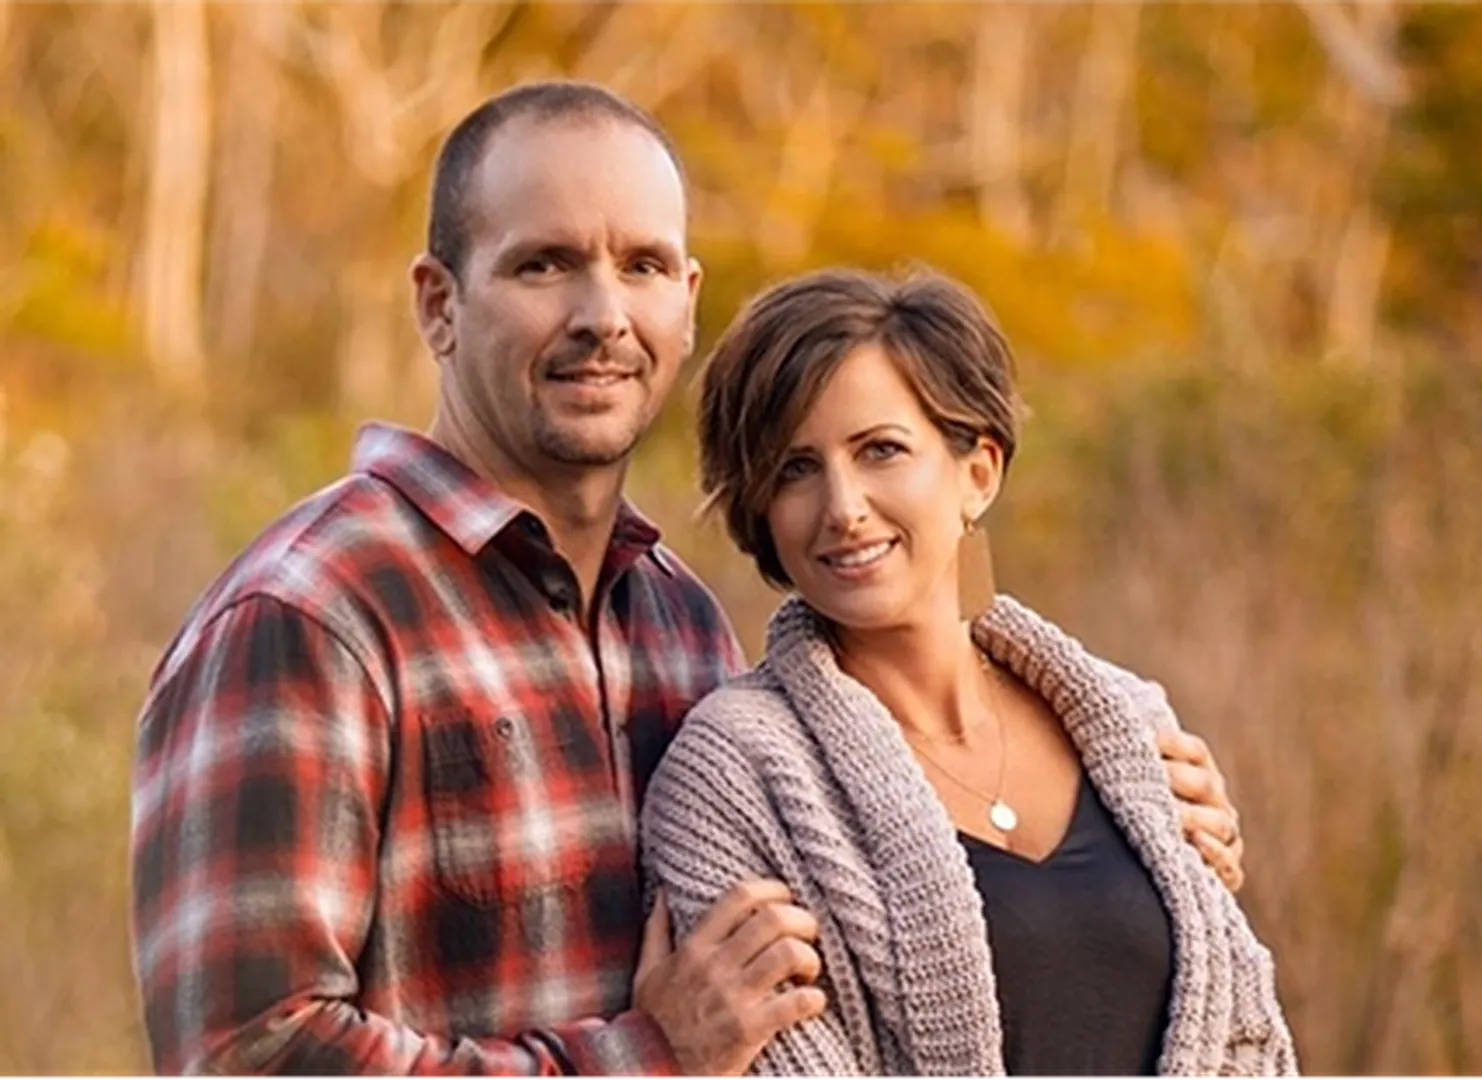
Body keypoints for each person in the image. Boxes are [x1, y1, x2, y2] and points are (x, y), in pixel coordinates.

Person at [130, 81, 1249, 1080]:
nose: (601, 316)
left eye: (643, 266)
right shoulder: (312, 614)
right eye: (543, 263)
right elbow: (249, 1054)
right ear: (437, 302)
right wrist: (644, 1059)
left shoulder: (675, 622)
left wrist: (1135, 810)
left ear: (687, 301)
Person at [641, 267, 1299, 1079]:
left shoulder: (1132, 725)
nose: (842, 506)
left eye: (880, 450)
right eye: (793, 469)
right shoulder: (733, 775)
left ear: (976, 473)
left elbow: (1238, 1028)